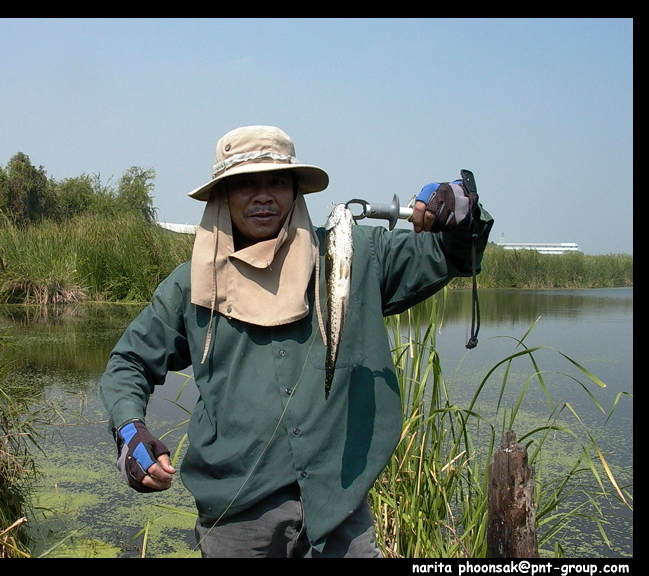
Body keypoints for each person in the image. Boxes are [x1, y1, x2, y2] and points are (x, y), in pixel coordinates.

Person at [99, 125, 494, 558]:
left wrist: (461, 210)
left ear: (295, 190)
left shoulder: (355, 254)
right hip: (236, 518)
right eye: (245, 183)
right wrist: (130, 431)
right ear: (222, 196)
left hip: (339, 508)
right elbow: (128, 363)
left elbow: (453, 254)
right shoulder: (190, 286)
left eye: (276, 182)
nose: (263, 195)